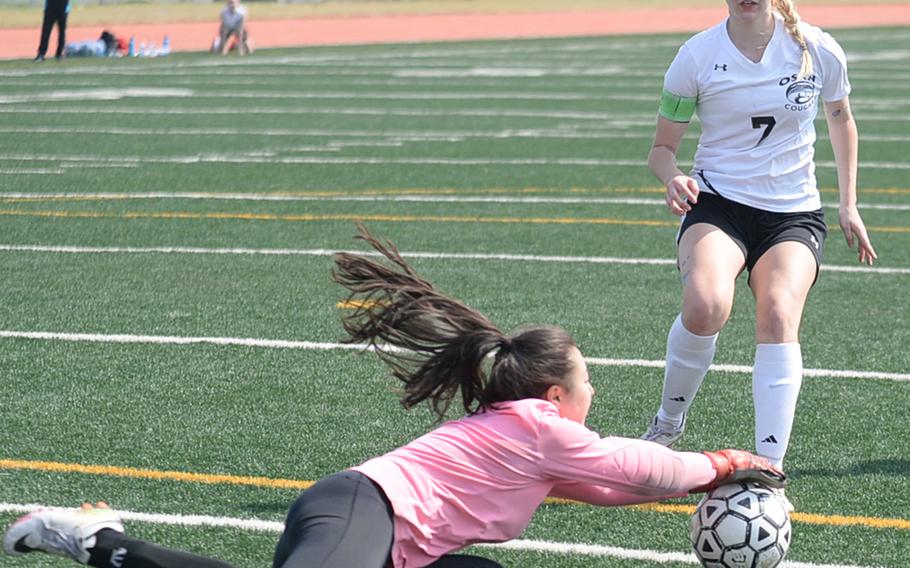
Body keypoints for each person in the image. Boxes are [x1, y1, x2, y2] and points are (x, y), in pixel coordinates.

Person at [3, 226, 785, 568]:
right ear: (554, 393)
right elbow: (640, 467)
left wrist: (703, 479)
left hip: (380, 539)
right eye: (587, 379)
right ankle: (97, 540)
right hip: (358, 511)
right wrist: (730, 461)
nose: (594, 389)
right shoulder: (541, 428)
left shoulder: (534, 443)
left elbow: (610, 484)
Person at [641, 0, 877, 510]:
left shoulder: (817, 48)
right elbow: (661, 149)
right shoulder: (696, 56)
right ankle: (665, 426)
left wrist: (848, 204)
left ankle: (770, 471)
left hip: (794, 212)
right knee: (705, 304)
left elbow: (841, 119)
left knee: (777, 312)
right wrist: (673, 177)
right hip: (718, 202)